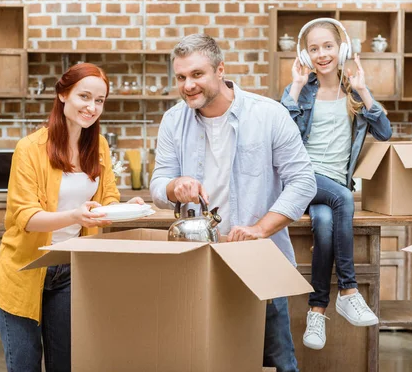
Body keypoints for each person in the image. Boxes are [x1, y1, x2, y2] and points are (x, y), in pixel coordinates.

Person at [150, 33, 317, 372]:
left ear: (220, 70)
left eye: (197, 74)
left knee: (278, 363)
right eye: (181, 77)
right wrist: (174, 186)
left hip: (258, 263)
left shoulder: (269, 115)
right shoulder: (173, 120)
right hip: (196, 264)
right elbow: (157, 183)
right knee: (205, 361)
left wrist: (260, 228)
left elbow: (303, 182)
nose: (187, 85)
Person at [0, 63, 144, 372]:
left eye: (99, 100)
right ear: (62, 95)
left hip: (70, 270)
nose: (92, 107)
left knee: (66, 365)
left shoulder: (98, 146)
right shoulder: (30, 149)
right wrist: (74, 215)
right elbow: (26, 217)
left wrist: (126, 208)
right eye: (84, 96)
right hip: (23, 269)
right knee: (25, 364)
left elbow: (107, 198)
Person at [280, 19, 392, 350]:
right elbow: (281, 137)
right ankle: (349, 290)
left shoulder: (352, 92)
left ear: (341, 49)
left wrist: (363, 90)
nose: (321, 54)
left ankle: (317, 310)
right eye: (313, 48)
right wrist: (296, 87)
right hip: (302, 177)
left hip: (329, 192)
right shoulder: (302, 91)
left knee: (326, 222)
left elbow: (384, 132)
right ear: (305, 54)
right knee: (344, 197)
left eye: (327, 46)